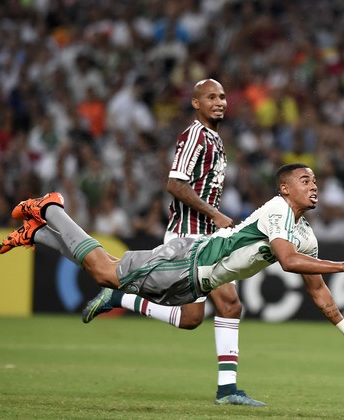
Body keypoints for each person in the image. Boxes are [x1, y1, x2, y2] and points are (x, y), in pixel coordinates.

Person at [0, 164, 344, 394]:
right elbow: (287, 261)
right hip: (189, 260)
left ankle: (38, 231)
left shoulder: (306, 235)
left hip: (194, 279)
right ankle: (51, 208)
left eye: (315, 180)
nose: (314, 185)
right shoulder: (276, 212)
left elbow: (317, 291)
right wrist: (340, 266)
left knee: (110, 269)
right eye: (305, 180)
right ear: (285, 189)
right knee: (104, 271)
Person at [93, 78, 257, 406]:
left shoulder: (215, 139)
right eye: (211, 97)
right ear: (196, 103)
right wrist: (216, 214)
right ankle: (227, 391)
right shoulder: (195, 134)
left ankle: (121, 299)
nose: (220, 101)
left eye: (223, 96)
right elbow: (175, 183)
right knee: (230, 305)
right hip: (189, 238)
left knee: (192, 319)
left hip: (206, 237)